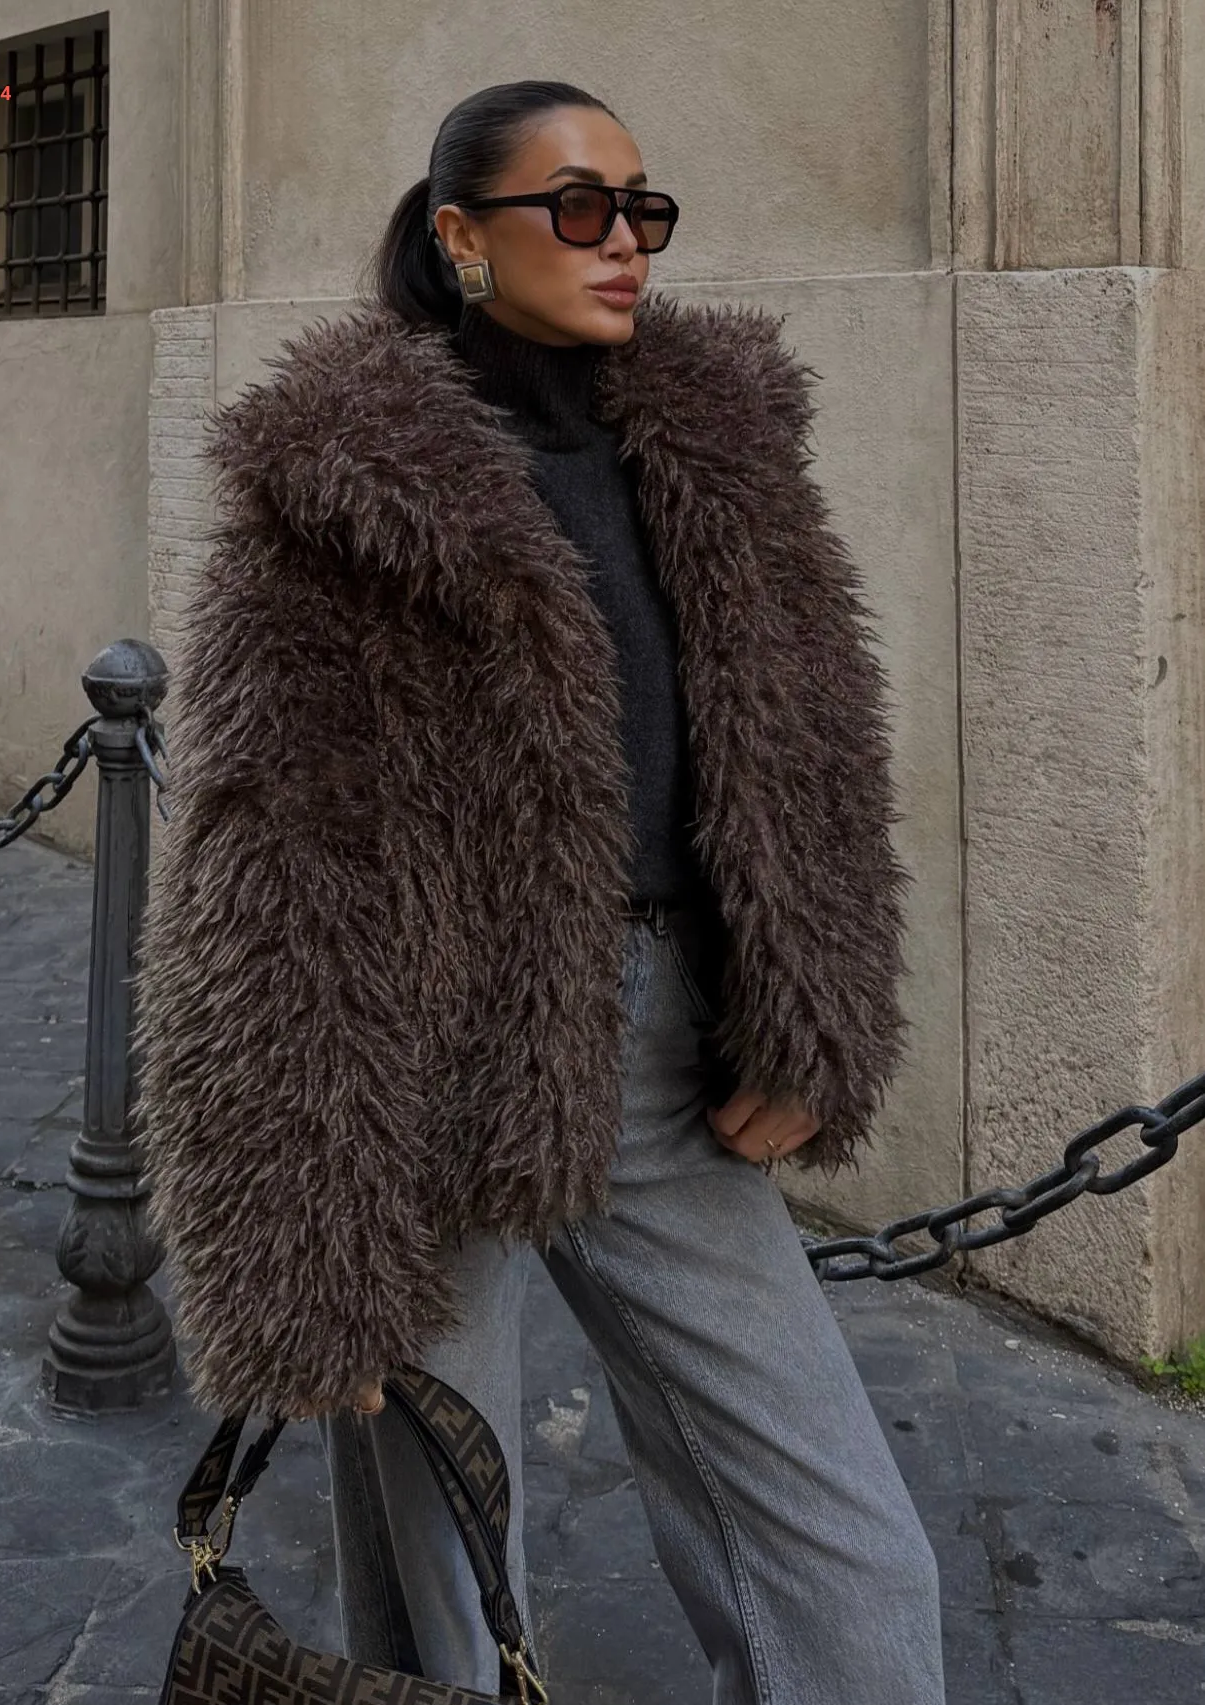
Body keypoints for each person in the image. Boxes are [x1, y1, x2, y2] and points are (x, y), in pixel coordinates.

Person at [133, 78, 945, 1705]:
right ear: (461, 235)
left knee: (848, 1551)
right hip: (417, 1068)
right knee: (441, 1586)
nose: (622, 239)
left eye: (641, 207)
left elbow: (810, 747)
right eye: (576, 207)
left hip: (669, 1055)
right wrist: (304, 1239)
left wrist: (815, 1013)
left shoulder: (719, 449)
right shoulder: (345, 488)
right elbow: (271, 862)